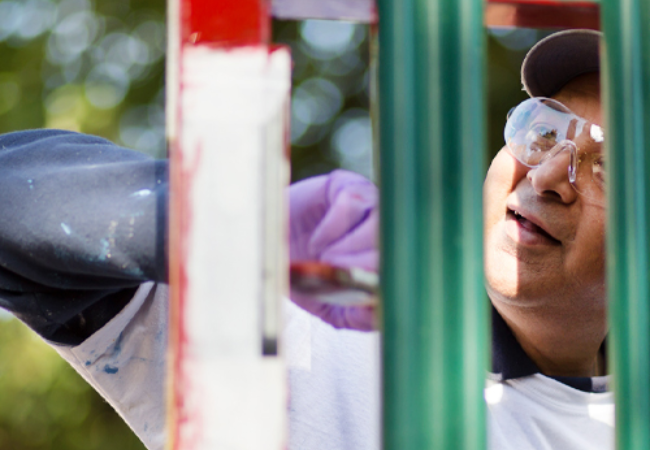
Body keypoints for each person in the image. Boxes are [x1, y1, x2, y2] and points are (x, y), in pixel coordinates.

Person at [0, 28, 612, 450]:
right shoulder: (314, 320)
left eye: (610, 168)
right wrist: (227, 226)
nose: (550, 174)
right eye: (545, 128)